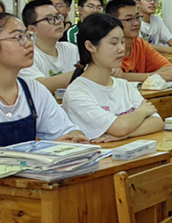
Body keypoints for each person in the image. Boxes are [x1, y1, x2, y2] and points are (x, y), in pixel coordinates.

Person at [0, 13, 87, 223]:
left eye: (28, 36)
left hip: (24, 195)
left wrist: (59, 145)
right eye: (18, 37)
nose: (28, 43)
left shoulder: (32, 88)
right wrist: (37, 155)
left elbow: (72, 134)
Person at [63, 13, 163, 143]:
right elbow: (119, 127)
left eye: (122, 42)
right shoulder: (77, 92)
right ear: (90, 46)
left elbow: (157, 122)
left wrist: (125, 135)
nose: (121, 49)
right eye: (114, 43)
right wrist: (143, 111)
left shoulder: (124, 85)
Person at [105, 0, 172, 82]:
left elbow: (168, 68)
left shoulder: (140, 44)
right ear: (113, 22)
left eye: (137, 17)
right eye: (128, 19)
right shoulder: (106, 48)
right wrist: (157, 76)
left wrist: (128, 76)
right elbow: (113, 78)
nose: (136, 23)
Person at [19, 0, 78, 94]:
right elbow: (40, 86)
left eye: (58, 16)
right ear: (32, 29)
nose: (58, 22)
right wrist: (83, 73)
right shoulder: (26, 55)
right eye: (49, 19)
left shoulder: (71, 49)